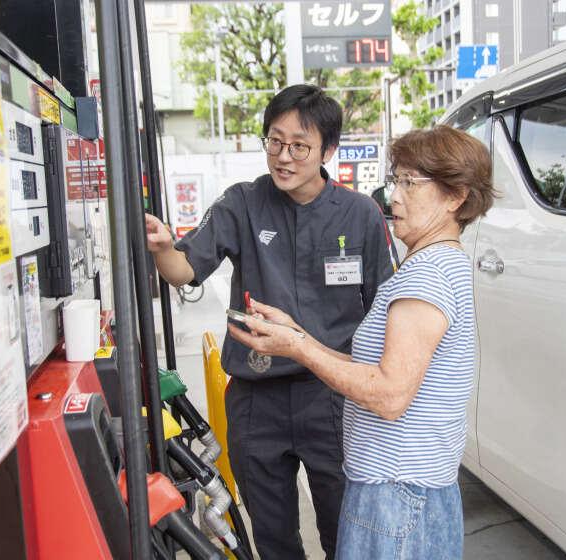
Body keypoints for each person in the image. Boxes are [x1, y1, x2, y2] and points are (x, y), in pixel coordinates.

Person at [145, 84, 399, 559]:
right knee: (275, 539)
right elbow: (184, 268)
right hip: (255, 401)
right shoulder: (242, 203)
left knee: (348, 534)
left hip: (332, 399)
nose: (284, 156)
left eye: (300, 145)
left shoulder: (360, 214)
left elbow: (383, 310)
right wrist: (162, 248)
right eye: (274, 141)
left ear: (327, 150)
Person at [229, 126, 495, 559]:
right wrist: (298, 336)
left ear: (456, 196)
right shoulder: (438, 264)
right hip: (404, 491)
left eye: (412, 183)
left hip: (395, 495)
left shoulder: (427, 275)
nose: (395, 195)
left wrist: (298, 349)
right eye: (397, 180)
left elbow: (389, 395)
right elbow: (373, 367)